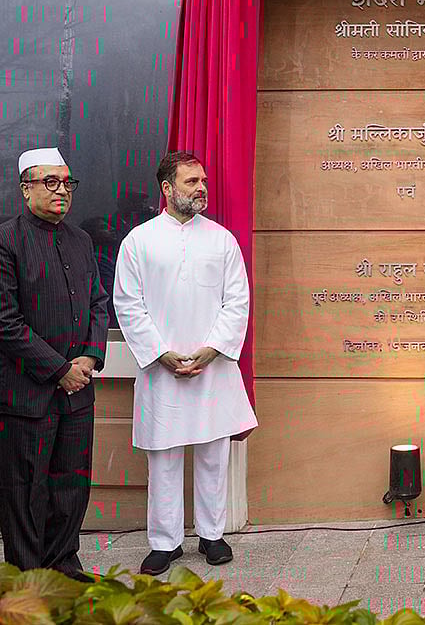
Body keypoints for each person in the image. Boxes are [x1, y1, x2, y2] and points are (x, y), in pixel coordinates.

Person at [114, 151, 258, 576]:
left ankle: (212, 535)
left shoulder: (222, 239)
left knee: (214, 454)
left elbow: (238, 301)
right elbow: (127, 304)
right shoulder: (138, 241)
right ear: (167, 188)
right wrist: (161, 353)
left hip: (212, 366)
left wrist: (211, 350)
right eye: (192, 181)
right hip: (162, 369)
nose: (201, 188)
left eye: (203, 181)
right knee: (163, 457)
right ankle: (165, 542)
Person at [0, 147, 109, 580]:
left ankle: (63, 563)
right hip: (26, 394)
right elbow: (6, 323)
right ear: (26, 188)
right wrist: (59, 369)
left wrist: (91, 356)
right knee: (25, 489)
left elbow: (99, 304)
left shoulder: (81, 240)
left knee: (71, 483)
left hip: (77, 393)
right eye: (50, 182)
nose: (61, 190)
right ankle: (27, 577)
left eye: (67, 182)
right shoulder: (6, 240)